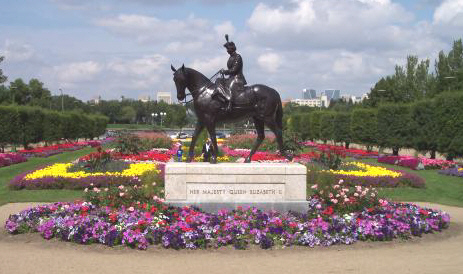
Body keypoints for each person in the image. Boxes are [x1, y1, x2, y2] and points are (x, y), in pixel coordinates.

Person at [220, 34, 247, 112]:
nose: (227, 50)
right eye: (226, 49)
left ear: (231, 49)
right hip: (231, 77)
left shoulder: (238, 57)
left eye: (228, 49)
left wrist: (225, 72)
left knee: (230, 86)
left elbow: (234, 70)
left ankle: (230, 105)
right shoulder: (231, 57)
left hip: (237, 78)